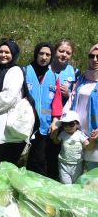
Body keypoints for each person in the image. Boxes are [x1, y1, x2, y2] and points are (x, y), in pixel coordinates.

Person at [0, 40, 28, 167]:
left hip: (5, 123)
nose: (3, 55)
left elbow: (8, 97)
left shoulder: (15, 71)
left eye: (7, 52)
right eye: (0, 52)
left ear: (14, 54)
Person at [24, 42, 64, 179]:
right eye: (41, 53)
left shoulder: (53, 76)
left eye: (48, 54)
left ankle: (36, 191)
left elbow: (57, 101)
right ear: (36, 54)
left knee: (39, 161)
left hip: (44, 127)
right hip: (25, 124)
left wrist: (55, 120)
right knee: (21, 158)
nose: (44, 57)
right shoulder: (25, 72)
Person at [64, 43, 98, 173]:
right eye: (91, 56)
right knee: (75, 178)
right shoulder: (82, 78)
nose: (95, 60)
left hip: (94, 137)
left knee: (93, 178)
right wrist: (63, 119)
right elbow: (72, 100)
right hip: (77, 134)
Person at [50, 110, 95, 184]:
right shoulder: (63, 134)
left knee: (76, 183)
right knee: (66, 184)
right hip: (63, 163)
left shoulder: (80, 135)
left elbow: (88, 147)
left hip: (77, 164)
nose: (67, 127)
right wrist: (54, 135)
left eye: (71, 124)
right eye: (65, 124)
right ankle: (66, 195)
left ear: (77, 124)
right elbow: (56, 142)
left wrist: (93, 140)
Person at [50, 39, 78, 106]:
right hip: (43, 112)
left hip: (63, 113)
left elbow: (78, 98)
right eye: (61, 51)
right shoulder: (44, 69)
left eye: (68, 53)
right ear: (54, 51)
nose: (64, 55)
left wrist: (68, 94)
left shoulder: (75, 73)